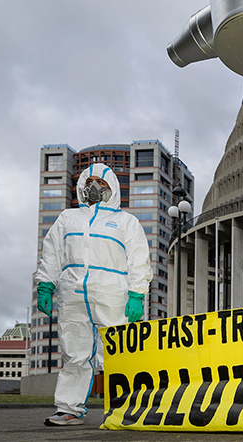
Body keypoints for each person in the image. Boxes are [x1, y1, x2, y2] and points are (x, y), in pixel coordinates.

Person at [35, 163, 153, 426]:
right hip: (73, 293)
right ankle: (69, 409)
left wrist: (137, 294)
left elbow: (139, 260)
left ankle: (128, 409)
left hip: (112, 293)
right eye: (89, 182)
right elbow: (52, 252)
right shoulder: (67, 218)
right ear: (81, 187)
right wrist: (46, 284)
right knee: (74, 352)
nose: (94, 187)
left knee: (119, 352)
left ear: (112, 187)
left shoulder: (126, 222)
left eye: (101, 182)